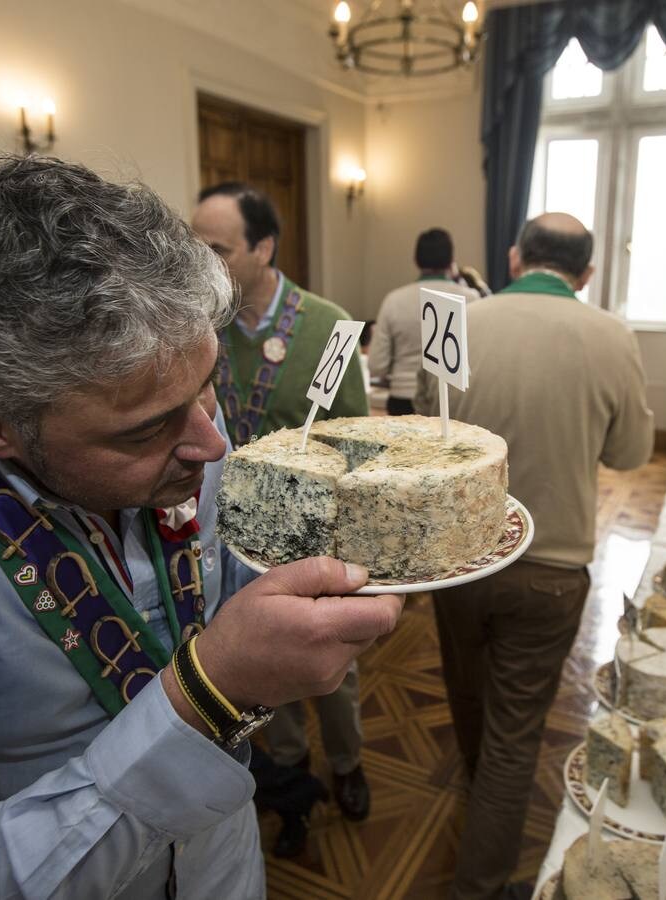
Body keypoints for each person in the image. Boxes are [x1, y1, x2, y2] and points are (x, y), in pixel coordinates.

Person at [0, 156, 403, 900]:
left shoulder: (178, 426)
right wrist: (211, 692)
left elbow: (230, 581)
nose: (213, 447)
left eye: (205, 385)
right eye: (146, 429)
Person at [416, 213, 654, 900]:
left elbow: (432, 435)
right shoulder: (612, 334)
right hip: (552, 564)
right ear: (586, 274)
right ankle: (481, 884)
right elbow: (631, 455)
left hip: (461, 554)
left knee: (465, 685)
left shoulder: (461, 319)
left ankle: (476, 781)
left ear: (516, 257)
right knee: (516, 736)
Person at [191, 183, 371, 856]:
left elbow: (355, 435)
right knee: (261, 648)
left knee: (331, 659)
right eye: (194, 245)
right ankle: (289, 759)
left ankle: (348, 761)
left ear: (263, 249)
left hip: (310, 524)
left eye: (216, 248)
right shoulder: (198, 323)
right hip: (229, 525)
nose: (199, 260)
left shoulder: (325, 325)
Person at [368, 228, 480, 416]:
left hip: (402, 399)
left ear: (416, 260)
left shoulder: (394, 300)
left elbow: (377, 366)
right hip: (451, 399)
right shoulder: (471, 299)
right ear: (451, 260)